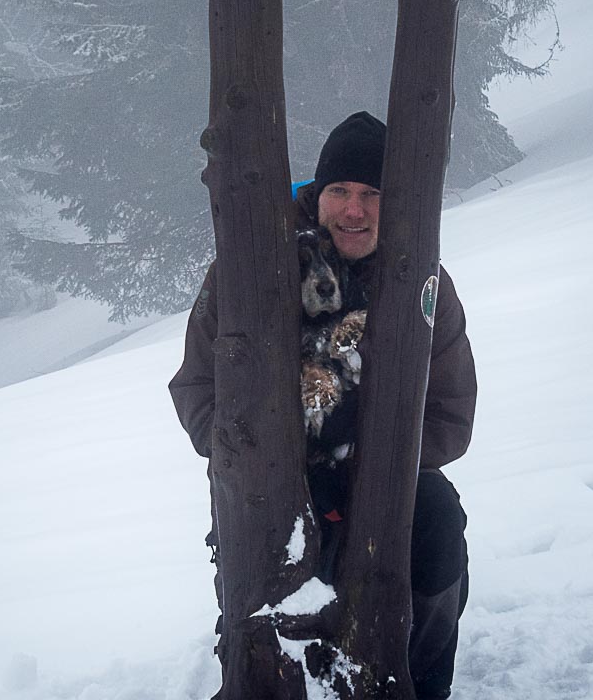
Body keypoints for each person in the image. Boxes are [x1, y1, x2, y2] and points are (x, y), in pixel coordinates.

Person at [169, 111, 476, 700]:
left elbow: (451, 415)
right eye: (340, 191)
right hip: (271, 483)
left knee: (438, 528)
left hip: (385, 480)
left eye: (371, 193)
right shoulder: (253, 267)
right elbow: (196, 389)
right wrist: (253, 459)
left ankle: (416, 684)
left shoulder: (423, 282)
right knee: (273, 585)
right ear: (318, 193)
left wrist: (365, 464)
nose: (354, 210)